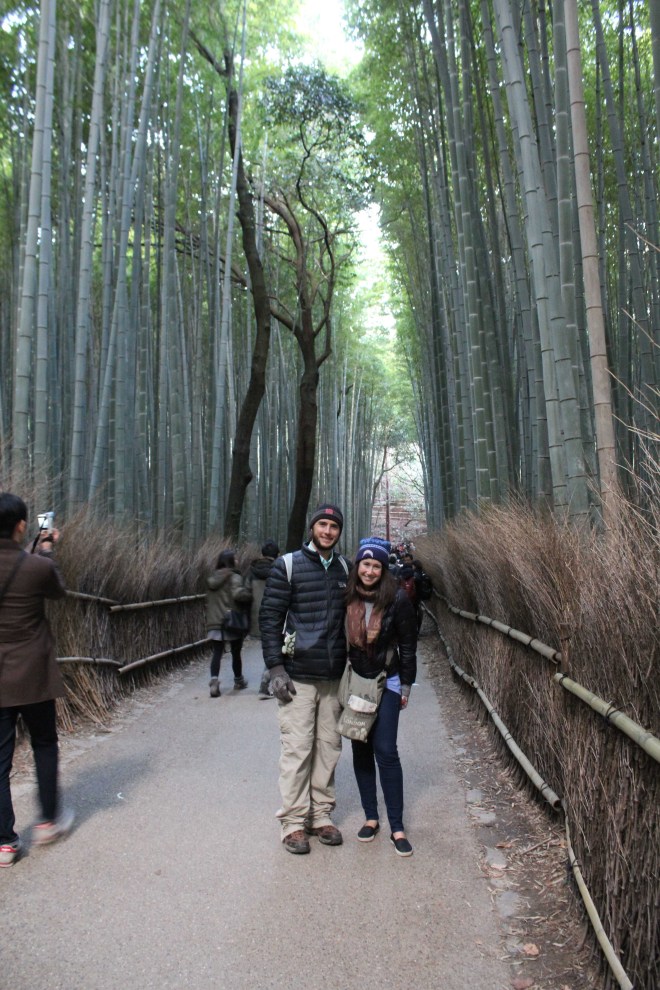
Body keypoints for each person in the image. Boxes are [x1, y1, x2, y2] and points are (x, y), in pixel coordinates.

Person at [259, 503, 349, 854]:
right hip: (297, 676)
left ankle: (321, 815)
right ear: (313, 527)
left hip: (333, 676)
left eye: (334, 526)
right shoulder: (289, 565)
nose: (327, 531)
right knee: (297, 749)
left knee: (328, 748)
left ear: (339, 531)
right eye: (322, 524)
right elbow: (269, 619)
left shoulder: (344, 567)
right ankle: (293, 823)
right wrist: (275, 668)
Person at [0, 493, 74, 867]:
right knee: (44, 744)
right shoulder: (36, 566)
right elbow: (58, 591)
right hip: (32, 673)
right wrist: (44, 551)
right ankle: (46, 821)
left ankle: (5, 843)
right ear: (21, 526)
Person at [345, 536, 417, 857]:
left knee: (385, 750)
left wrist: (406, 685)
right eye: (365, 564)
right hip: (356, 681)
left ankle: (397, 825)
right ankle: (371, 817)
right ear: (357, 565)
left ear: (383, 568)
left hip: (387, 680)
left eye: (376, 565)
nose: (370, 571)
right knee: (361, 746)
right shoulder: (346, 596)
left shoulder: (398, 599)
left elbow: (408, 645)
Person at [206, 549, 253, 697]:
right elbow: (238, 594)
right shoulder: (234, 577)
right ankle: (238, 680)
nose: (237, 561)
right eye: (235, 558)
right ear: (230, 561)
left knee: (217, 653)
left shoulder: (212, 577)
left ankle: (214, 681)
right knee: (235, 652)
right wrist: (249, 594)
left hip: (215, 621)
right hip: (231, 620)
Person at [246, 540, 280, 699]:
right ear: (277, 555)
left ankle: (266, 684)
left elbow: (244, 594)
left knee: (268, 649)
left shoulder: (252, 571)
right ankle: (264, 684)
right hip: (274, 616)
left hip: (255, 617)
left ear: (262, 554)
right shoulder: (279, 570)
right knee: (274, 649)